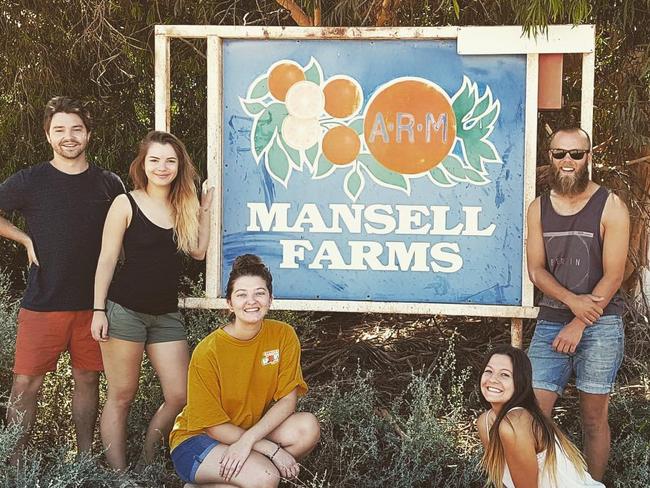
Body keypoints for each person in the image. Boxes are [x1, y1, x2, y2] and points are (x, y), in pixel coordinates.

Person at [0, 96, 124, 462]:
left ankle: (85, 458)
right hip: (43, 302)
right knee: (25, 384)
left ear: (88, 134)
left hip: (94, 306)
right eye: (60, 130)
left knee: (88, 380)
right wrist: (23, 238)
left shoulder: (108, 183)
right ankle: (14, 462)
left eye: (76, 129)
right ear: (48, 135)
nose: (68, 137)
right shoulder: (30, 180)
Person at [91, 130, 213, 470]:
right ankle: (118, 476)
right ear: (142, 164)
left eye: (170, 161)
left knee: (180, 396)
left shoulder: (182, 206)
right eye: (155, 160)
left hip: (166, 316)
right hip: (123, 311)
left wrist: (203, 210)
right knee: (121, 396)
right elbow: (106, 259)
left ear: (179, 166)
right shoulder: (125, 203)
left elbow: (199, 252)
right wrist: (98, 310)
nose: (162, 167)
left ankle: (147, 461)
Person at [526, 127, 629, 481]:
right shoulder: (537, 208)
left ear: (589, 157)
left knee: (593, 418)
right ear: (549, 157)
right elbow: (536, 271)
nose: (567, 161)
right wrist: (570, 304)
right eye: (559, 154)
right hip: (552, 321)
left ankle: (593, 484)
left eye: (576, 154)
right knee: (532, 414)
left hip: (600, 324)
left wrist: (579, 322)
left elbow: (614, 276)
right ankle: (548, 480)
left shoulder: (611, 205)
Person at [169, 254, 320, 488]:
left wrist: (248, 441)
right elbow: (212, 426)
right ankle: (243, 474)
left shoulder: (283, 335)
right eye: (241, 295)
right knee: (266, 476)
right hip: (197, 440)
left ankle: (214, 484)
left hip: (246, 432)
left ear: (271, 299)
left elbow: (287, 402)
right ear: (229, 303)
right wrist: (269, 449)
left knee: (306, 428)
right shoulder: (208, 351)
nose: (251, 301)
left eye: (259, 293)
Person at [477, 344, 604, 488]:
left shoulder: (516, 422)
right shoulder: (485, 422)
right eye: (488, 371)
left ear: (520, 382)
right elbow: (502, 481)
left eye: (505, 374)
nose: (492, 379)